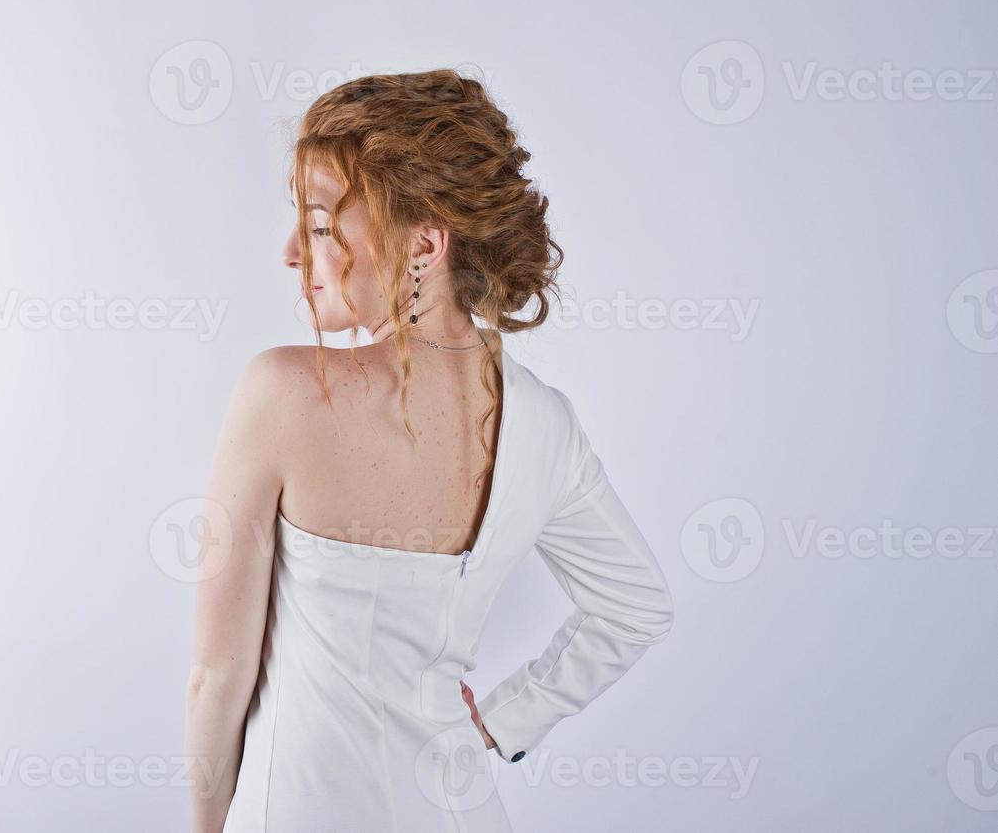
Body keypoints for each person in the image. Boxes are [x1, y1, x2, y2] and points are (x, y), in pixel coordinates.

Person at [185, 69, 675, 832]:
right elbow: (637, 607)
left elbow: (217, 677)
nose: (290, 251)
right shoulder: (545, 422)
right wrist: (505, 719)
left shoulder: (282, 393)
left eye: (317, 225)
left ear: (423, 243)